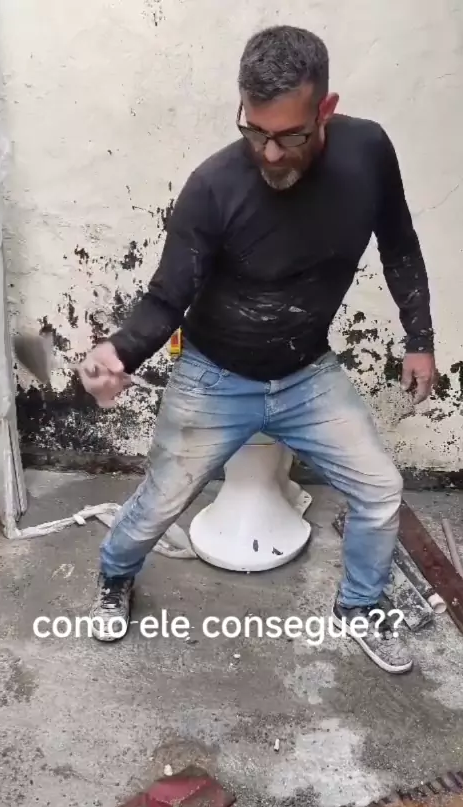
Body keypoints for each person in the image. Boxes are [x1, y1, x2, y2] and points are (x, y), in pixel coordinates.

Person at [78, 25, 436, 672]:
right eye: (254, 131)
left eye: (289, 136)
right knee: (159, 502)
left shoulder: (368, 152)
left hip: (306, 373)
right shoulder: (213, 186)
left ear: (326, 111)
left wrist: (420, 340)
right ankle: (113, 576)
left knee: (382, 489)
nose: (269, 153)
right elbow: (167, 296)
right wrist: (119, 353)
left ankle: (360, 607)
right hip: (214, 376)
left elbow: (400, 243)